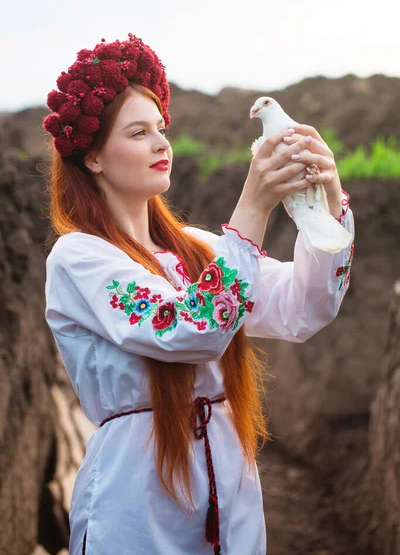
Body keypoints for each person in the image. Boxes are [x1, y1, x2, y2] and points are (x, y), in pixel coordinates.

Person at [43, 33, 354, 555]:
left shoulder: (201, 250)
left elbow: (304, 308)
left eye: (161, 128)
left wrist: (326, 197)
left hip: (229, 484)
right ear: (93, 157)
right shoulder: (79, 258)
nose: (162, 143)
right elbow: (188, 328)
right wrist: (252, 210)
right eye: (139, 132)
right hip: (139, 497)